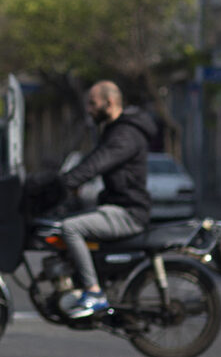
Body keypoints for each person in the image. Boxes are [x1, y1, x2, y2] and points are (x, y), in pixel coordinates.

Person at [59, 80, 158, 319]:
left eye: (93, 104)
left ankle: (94, 292)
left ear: (110, 102)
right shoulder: (114, 129)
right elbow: (92, 160)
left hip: (129, 212)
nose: (89, 109)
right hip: (116, 206)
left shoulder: (125, 134)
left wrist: (62, 184)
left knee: (70, 228)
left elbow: (96, 164)